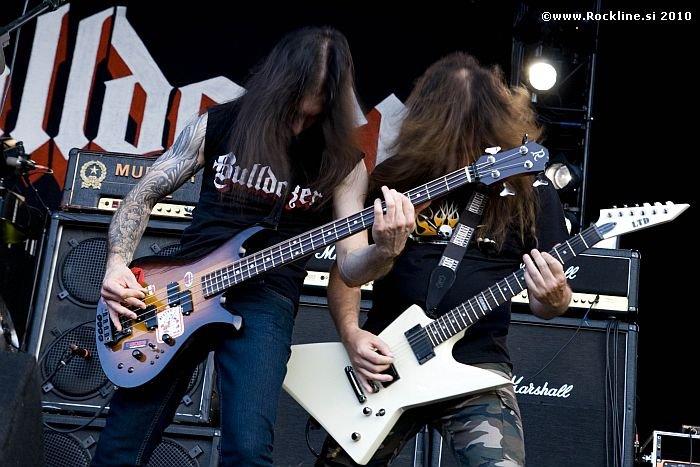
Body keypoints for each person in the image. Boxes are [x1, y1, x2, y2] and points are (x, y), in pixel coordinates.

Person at [92, 27, 414, 467]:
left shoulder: (343, 164)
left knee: (248, 448)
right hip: (178, 288)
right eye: (298, 99)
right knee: (124, 439)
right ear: (280, 81)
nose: (302, 117)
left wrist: (385, 250)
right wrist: (116, 264)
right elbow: (143, 195)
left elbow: (351, 266)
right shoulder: (221, 123)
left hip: (266, 298)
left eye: (318, 103)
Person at [320, 52, 572, 466]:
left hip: (476, 368)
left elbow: (549, 303)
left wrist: (556, 296)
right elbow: (345, 272)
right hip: (385, 364)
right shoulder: (396, 180)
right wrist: (351, 334)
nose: (464, 142)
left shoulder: (530, 190)